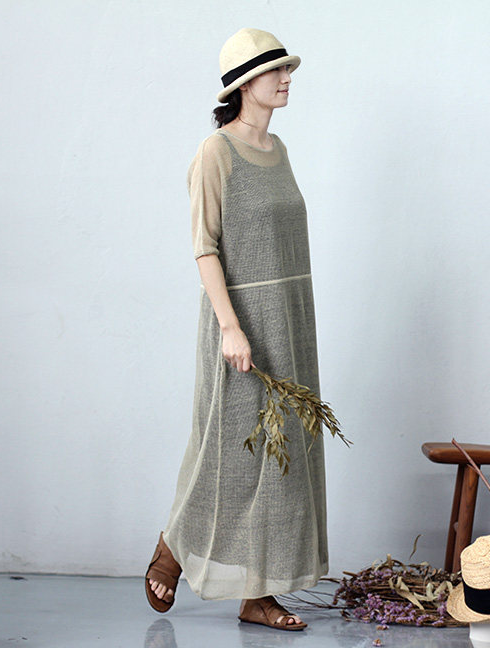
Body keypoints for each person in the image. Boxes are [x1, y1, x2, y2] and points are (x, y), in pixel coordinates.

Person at [145, 27, 328, 631]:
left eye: (287, 69)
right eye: (276, 70)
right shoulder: (215, 153)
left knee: (282, 459)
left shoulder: (280, 150)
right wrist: (231, 327)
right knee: (227, 450)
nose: (286, 78)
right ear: (245, 83)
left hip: (290, 323)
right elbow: (205, 248)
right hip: (242, 322)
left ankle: (259, 594)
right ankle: (175, 545)